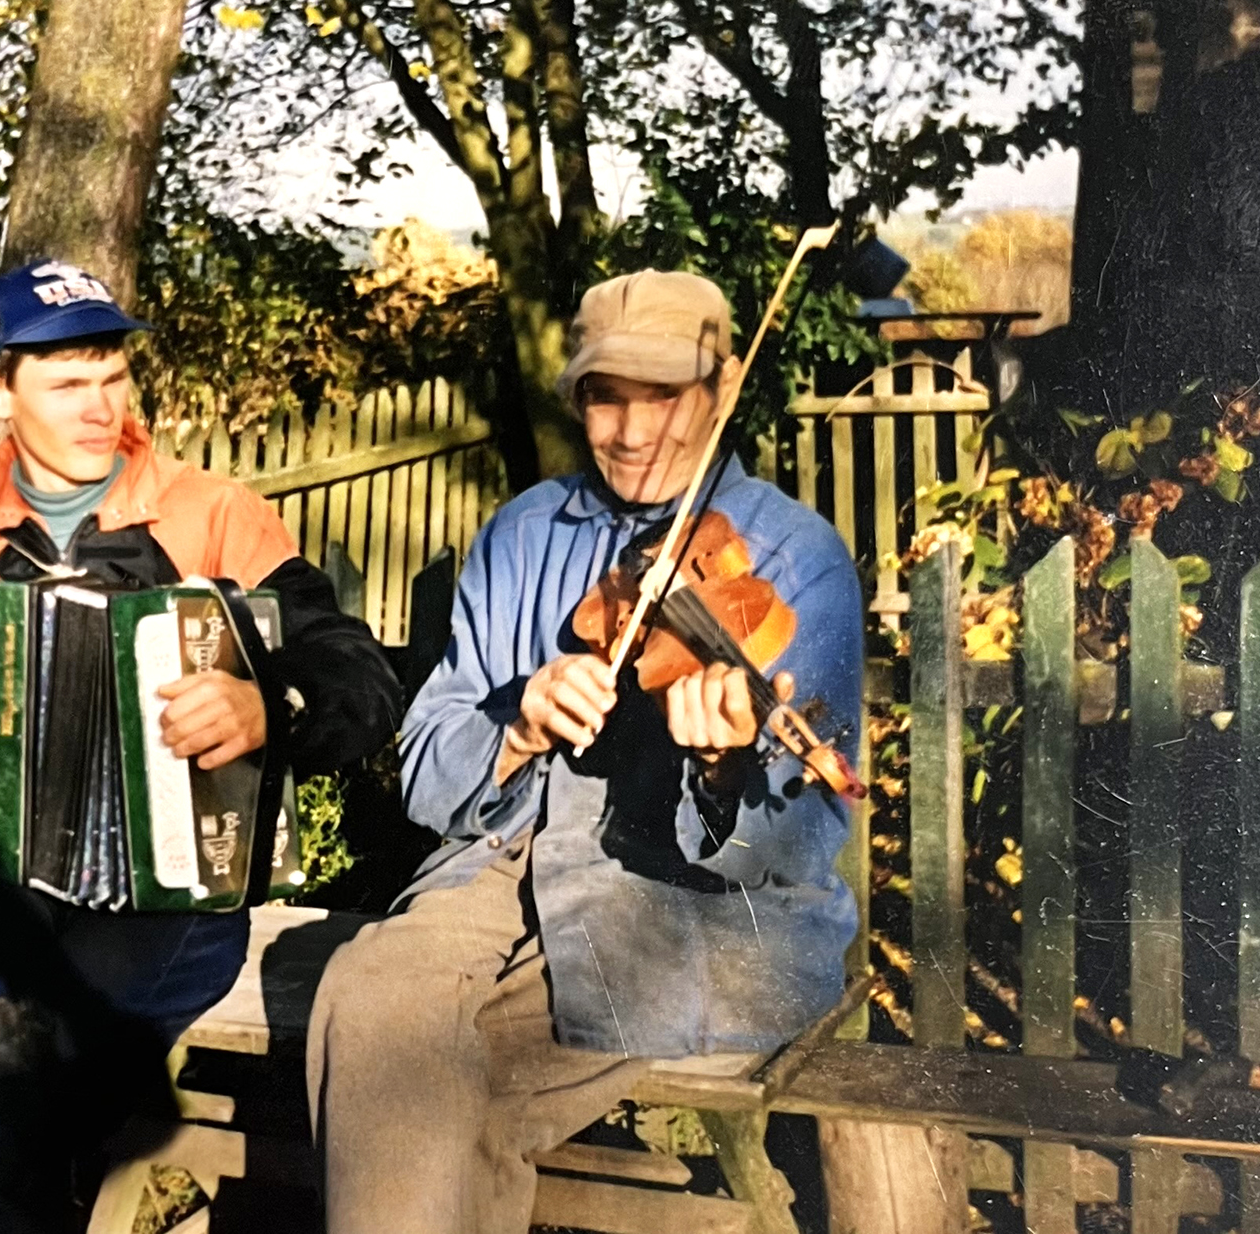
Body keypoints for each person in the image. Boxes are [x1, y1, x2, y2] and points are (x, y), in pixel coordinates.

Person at [0, 259, 402, 1232]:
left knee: (6, 1053)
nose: (99, 405)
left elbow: (360, 670)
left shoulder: (211, 514)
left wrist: (275, 701)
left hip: (176, 894)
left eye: (112, 374)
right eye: (66, 381)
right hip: (17, 892)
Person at [307, 269, 865, 1234]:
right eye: (607, 398)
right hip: (495, 869)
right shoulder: (522, 534)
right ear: (575, 398)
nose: (634, 432)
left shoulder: (792, 554)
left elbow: (808, 835)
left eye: (666, 396)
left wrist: (727, 766)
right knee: (367, 990)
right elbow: (426, 763)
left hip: (684, 904)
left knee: (445, 1084)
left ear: (724, 389)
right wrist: (517, 725)